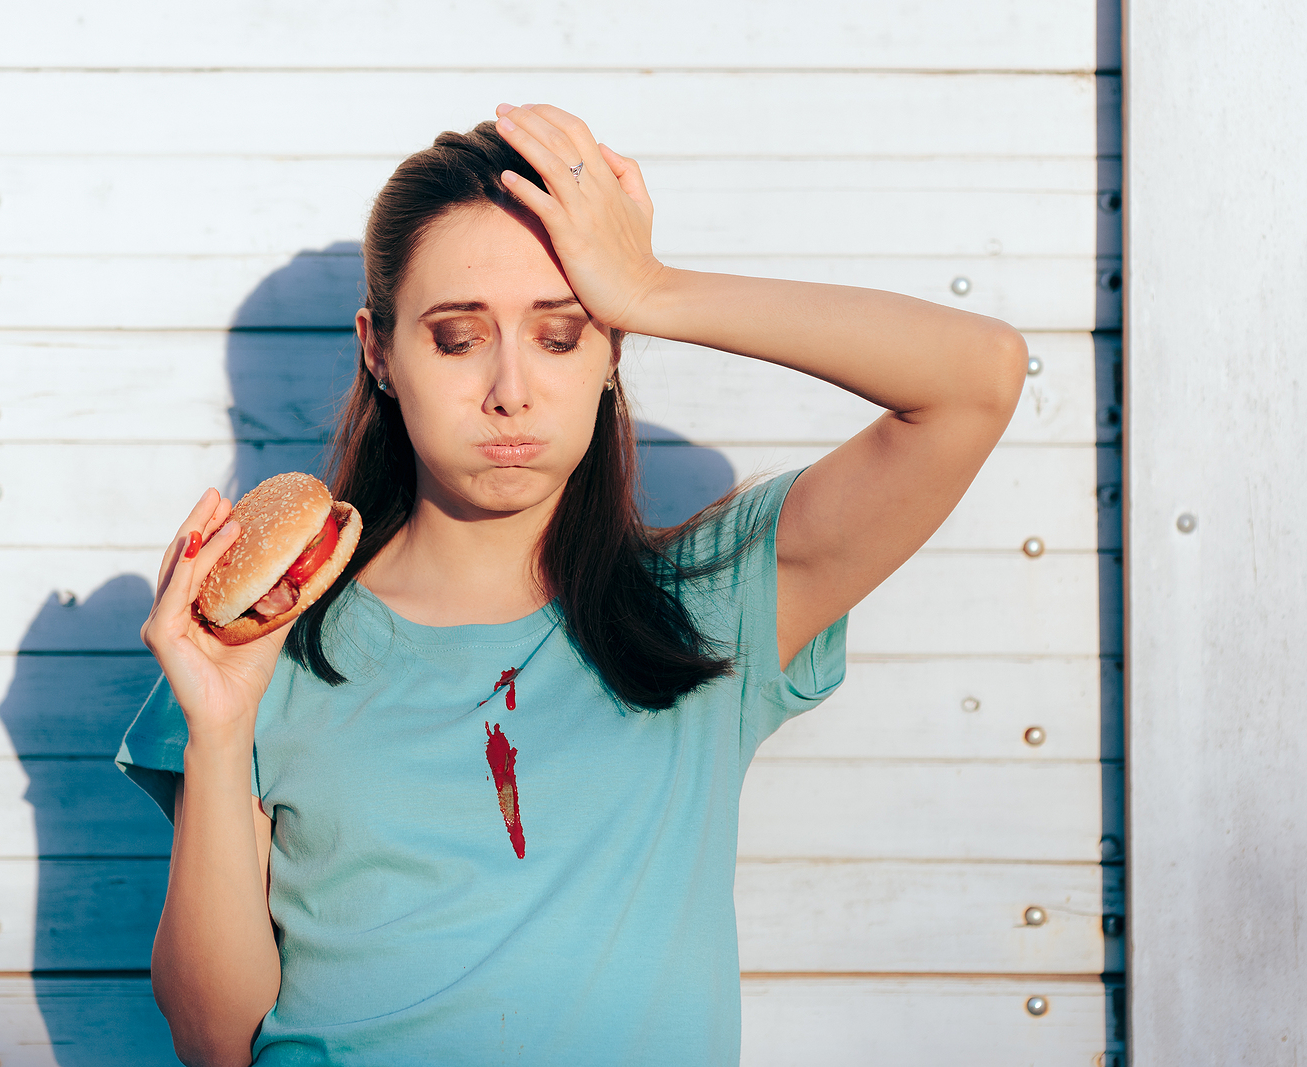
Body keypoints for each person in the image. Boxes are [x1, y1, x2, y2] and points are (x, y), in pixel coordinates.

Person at [117, 104, 1026, 1065]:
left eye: (560, 335)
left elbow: (978, 377)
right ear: (378, 352)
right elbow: (216, 1038)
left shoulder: (712, 605)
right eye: (458, 337)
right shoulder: (261, 639)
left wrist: (650, 286)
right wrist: (219, 731)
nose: (511, 388)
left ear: (612, 353)